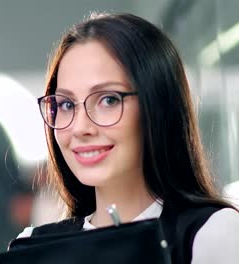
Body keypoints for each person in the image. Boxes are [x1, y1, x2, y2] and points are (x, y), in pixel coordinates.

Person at [15, 12, 239, 263]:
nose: (80, 127)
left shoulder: (212, 234)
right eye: (66, 105)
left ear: (157, 105)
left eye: (108, 100)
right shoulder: (32, 246)